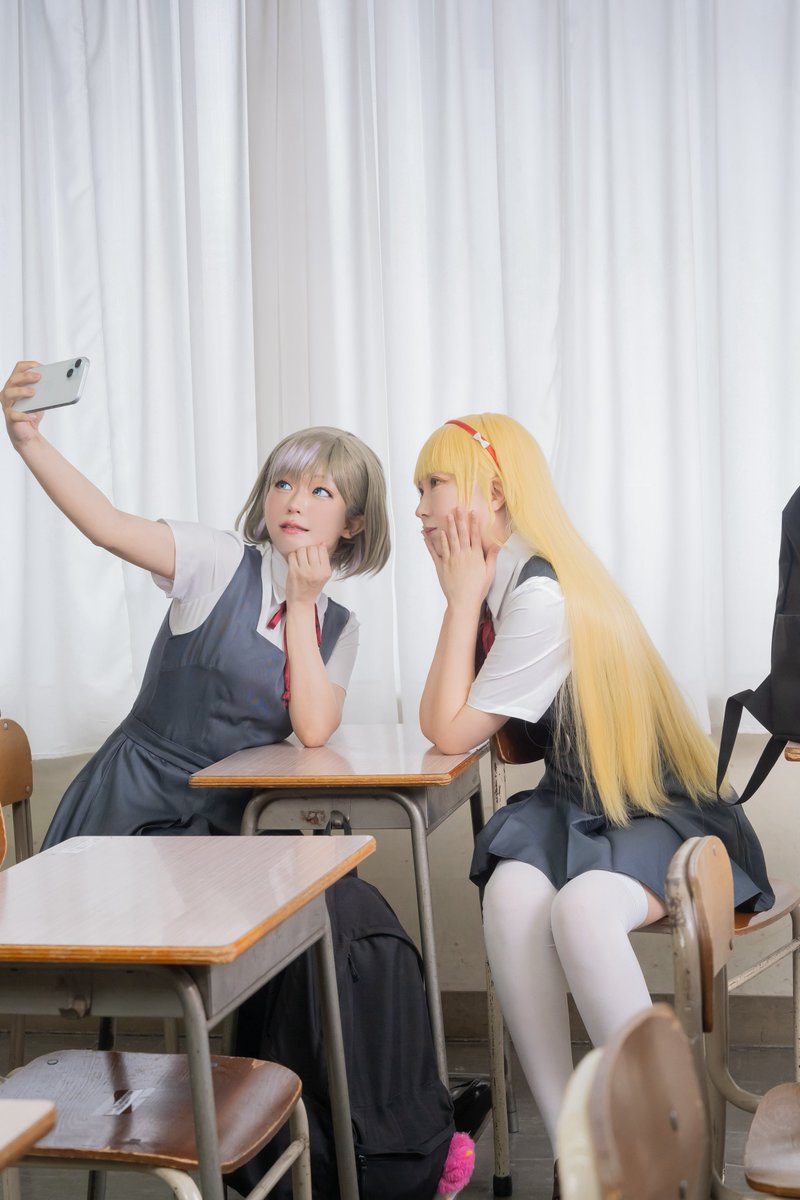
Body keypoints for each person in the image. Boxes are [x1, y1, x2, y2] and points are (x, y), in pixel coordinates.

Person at [414, 412, 772, 1198]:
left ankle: (661, 1155)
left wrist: (461, 598)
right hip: (578, 801)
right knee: (510, 895)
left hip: (657, 806)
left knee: (580, 912)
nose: (420, 508)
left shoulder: (538, 596)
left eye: (433, 484)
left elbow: (444, 729)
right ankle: (577, 1161)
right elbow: (449, 728)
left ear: (493, 492)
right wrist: (464, 600)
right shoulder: (511, 582)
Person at [2, 360, 391, 844]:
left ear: (352, 524)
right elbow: (108, 527)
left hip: (237, 817)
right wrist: (28, 441)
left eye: (320, 491)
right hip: (137, 807)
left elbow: (313, 730)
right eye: (283, 483)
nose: (295, 501)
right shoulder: (218, 559)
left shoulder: (340, 627)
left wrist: (301, 603)